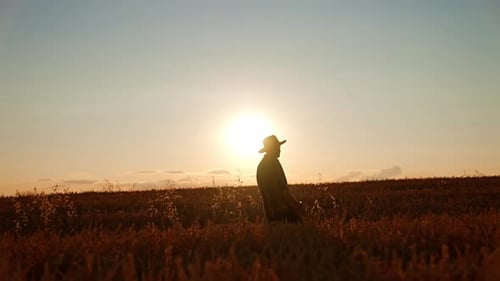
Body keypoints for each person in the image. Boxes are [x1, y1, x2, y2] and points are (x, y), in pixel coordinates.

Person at [256, 135, 305, 223]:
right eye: (277, 147)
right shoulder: (272, 164)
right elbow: (283, 190)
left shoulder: (264, 164)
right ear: (272, 148)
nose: (279, 150)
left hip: (272, 214)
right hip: (281, 213)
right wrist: (297, 207)